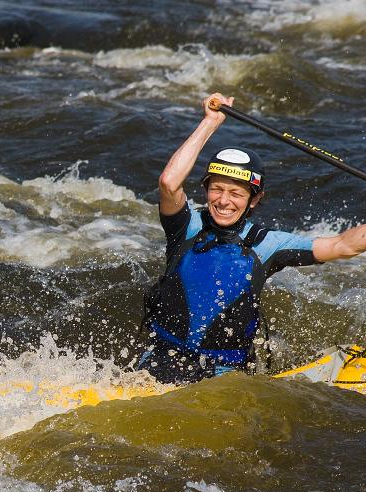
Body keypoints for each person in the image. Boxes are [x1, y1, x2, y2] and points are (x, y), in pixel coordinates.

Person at [139, 92, 366, 384]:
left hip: (224, 375)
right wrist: (210, 123)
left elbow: (344, 245)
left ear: (255, 200)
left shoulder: (268, 244)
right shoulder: (187, 226)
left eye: (236, 193)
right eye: (216, 189)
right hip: (161, 360)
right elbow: (169, 183)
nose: (223, 201)